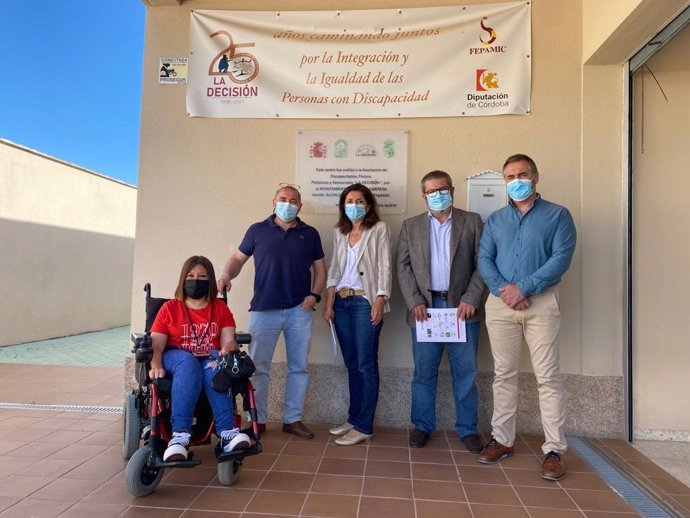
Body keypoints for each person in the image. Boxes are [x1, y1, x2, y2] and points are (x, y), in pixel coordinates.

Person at [477, 154, 576, 481]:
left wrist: (524, 288)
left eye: (522, 174)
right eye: (509, 176)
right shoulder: (495, 220)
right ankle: (503, 440)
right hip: (500, 304)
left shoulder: (558, 215)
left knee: (547, 377)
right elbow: (485, 259)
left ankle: (554, 450)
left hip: (541, 303)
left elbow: (561, 258)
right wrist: (505, 290)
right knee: (503, 374)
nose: (516, 180)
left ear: (535, 177)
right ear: (504, 181)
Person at [217, 184, 326, 439]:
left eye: (294, 200)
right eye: (283, 199)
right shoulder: (257, 230)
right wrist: (225, 274)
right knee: (257, 367)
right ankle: (258, 419)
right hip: (263, 310)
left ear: (300, 205)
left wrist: (315, 295)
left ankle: (292, 419)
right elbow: (237, 259)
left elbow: (320, 269)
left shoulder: (310, 234)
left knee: (298, 367)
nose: (288, 203)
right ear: (273, 202)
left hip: (299, 310)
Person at [396, 170, 485, 452]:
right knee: (424, 371)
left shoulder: (471, 222)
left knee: (466, 371)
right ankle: (422, 425)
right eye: (431, 192)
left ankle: (468, 428)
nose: (437, 195)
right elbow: (403, 266)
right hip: (426, 309)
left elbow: (483, 263)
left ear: (452, 190)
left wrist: (471, 297)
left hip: (462, 309)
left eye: (442, 189)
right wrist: (414, 301)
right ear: (423, 196)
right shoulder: (410, 226)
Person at [148, 255, 251, 462]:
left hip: (209, 358)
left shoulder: (220, 309)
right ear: (183, 280)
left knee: (214, 368)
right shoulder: (169, 308)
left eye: (202, 276)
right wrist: (156, 365)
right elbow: (156, 345)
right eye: (191, 275)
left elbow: (227, 342)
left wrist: (230, 347)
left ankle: (228, 432)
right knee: (188, 363)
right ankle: (179, 436)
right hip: (175, 357)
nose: (196, 280)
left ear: (210, 280)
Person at [322, 184, 392, 446]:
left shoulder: (379, 229)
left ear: (369, 204)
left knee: (365, 364)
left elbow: (385, 264)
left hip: (365, 302)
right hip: (342, 303)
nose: (354, 205)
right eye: (349, 201)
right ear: (343, 205)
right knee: (352, 364)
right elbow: (334, 269)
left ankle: (364, 425)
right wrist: (328, 304)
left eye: (359, 200)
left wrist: (380, 299)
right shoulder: (339, 232)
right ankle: (353, 418)